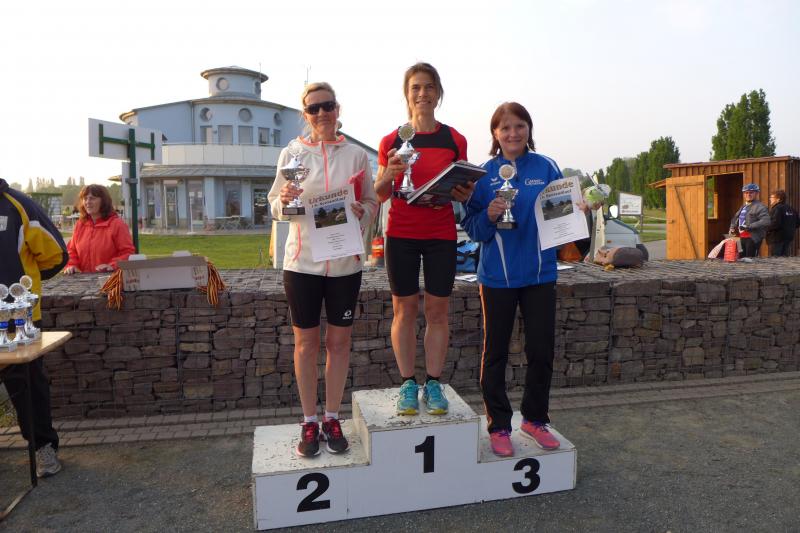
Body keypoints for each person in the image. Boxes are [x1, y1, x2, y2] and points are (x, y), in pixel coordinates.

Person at [268, 82, 377, 457]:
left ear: (337, 108)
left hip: (345, 263)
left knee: (339, 343)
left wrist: (362, 212)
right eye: (313, 109)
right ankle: (309, 421)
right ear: (305, 114)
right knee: (306, 344)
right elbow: (276, 206)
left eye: (327, 105)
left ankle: (332, 417)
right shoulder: (292, 154)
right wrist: (285, 200)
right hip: (303, 264)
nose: (321, 114)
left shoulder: (356, 155)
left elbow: (371, 202)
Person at [461, 102, 562, 457]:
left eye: (519, 125)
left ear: (528, 129)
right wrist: (488, 216)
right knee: (495, 353)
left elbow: (562, 215)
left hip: (540, 274)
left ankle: (534, 419)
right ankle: (499, 425)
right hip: (497, 277)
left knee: (541, 350)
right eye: (505, 127)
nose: (513, 133)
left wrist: (580, 212)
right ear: (495, 134)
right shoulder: (482, 175)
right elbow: (473, 229)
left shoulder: (547, 167)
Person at [374, 62, 474, 416]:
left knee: (437, 312)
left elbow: (465, 187)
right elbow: (380, 193)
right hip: (401, 233)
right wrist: (389, 173)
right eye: (415, 87)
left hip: (440, 234)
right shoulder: (391, 140)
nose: (422, 93)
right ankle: (407, 383)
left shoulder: (455, 139)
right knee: (404, 310)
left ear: (438, 93)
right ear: (407, 94)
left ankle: (433, 382)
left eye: (429, 86)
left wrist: (463, 191)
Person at [0, 178, 68, 477]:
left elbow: (56, 255)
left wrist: (20, 287)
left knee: (26, 384)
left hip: (17, 317)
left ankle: (43, 447)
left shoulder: (18, 205)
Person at [63, 184, 135, 274]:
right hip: (83, 280)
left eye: (92, 198)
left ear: (103, 201)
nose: (88, 202)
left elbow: (127, 252)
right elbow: (72, 250)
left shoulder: (117, 225)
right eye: (85, 198)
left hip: (110, 279)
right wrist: (71, 265)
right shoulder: (80, 225)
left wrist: (112, 266)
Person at [729, 183, 770, 258]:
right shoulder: (743, 206)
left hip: (752, 238)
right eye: (746, 193)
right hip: (741, 238)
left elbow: (766, 221)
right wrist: (732, 228)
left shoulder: (760, 207)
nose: (748, 194)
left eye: (751, 192)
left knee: (750, 260)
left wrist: (748, 226)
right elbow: (735, 218)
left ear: (756, 193)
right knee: (741, 259)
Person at [766, 189, 798, 257]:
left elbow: (775, 223)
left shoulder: (777, 208)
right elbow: (797, 223)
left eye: (771, 197)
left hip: (776, 238)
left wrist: (766, 229)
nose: (770, 199)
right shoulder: (791, 209)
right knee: (784, 258)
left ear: (778, 199)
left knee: (776, 259)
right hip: (788, 238)